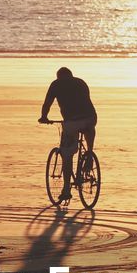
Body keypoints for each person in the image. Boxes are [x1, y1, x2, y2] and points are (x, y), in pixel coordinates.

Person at [38, 67, 97, 203]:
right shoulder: (81, 82)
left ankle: (66, 189)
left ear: (59, 77)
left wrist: (44, 117)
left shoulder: (56, 84)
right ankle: (89, 155)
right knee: (89, 128)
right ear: (71, 75)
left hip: (72, 122)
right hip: (90, 118)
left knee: (67, 153)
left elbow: (47, 103)